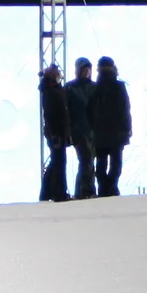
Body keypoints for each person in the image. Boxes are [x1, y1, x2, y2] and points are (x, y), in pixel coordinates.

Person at [92, 57, 132, 197]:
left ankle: (104, 188)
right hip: (117, 132)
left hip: (99, 132)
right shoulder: (119, 86)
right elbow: (125, 108)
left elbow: (89, 110)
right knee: (115, 165)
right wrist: (127, 127)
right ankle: (112, 187)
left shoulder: (95, 87)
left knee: (101, 164)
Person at [65, 58, 99, 199]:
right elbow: (66, 111)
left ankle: (82, 191)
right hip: (78, 130)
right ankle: (86, 191)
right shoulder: (70, 88)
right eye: (84, 69)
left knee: (87, 161)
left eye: (88, 69)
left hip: (92, 130)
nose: (87, 72)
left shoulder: (94, 87)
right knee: (86, 160)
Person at [38, 64, 70, 201]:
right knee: (59, 161)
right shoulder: (50, 92)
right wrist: (54, 133)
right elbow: (51, 115)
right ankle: (59, 193)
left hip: (58, 131)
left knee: (56, 162)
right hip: (56, 132)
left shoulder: (54, 90)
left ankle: (47, 193)